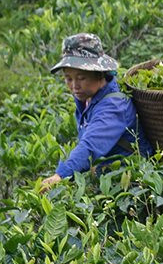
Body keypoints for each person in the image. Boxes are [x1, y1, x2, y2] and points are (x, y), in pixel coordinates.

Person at [40, 33, 149, 192]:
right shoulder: (88, 98)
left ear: (99, 74)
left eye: (81, 78)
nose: (74, 86)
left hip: (133, 185)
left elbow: (90, 146)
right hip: (106, 179)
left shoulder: (114, 106)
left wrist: (60, 175)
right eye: (68, 79)